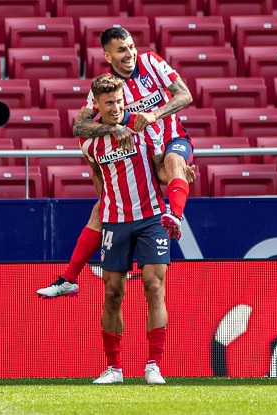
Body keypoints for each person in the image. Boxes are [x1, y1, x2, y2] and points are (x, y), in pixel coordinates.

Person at [36, 26, 194, 299]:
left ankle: (175, 217)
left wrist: (155, 113)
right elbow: (80, 125)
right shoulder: (108, 87)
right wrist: (112, 129)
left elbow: (185, 95)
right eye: (121, 50)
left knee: (173, 161)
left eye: (131, 46)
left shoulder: (152, 62)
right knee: (102, 209)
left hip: (171, 139)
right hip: (141, 154)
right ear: (108, 56)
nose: (130, 53)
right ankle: (68, 279)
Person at [79, 73, 170, 384]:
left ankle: (154, 365)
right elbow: (97, 178)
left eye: (119, 101)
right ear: (98, 105)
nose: (116, 107)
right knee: (113, 292)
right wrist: (106, 206)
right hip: (115, 221)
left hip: (152, 216)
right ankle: (114, 368)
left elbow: (160, 170)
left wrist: (179, 175)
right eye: (109, 103)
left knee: (153, 286)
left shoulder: (145, 128)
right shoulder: (90, 141)